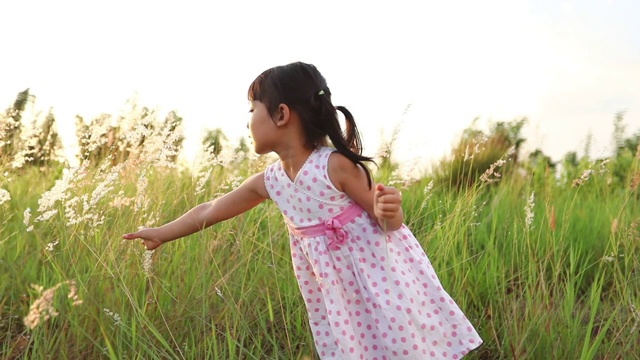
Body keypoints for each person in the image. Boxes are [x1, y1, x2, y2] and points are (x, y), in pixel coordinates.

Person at [123, 61, 483, 359]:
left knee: (397, 344)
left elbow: (386, 221)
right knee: (355, 347)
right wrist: (162, 233)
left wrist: (391, 210)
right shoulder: (271, 181)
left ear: (281, 114)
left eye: (252, 110)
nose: (248, 120)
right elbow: (212, 209)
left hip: (379, 282)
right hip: (336, 293)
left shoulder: (336, 166)